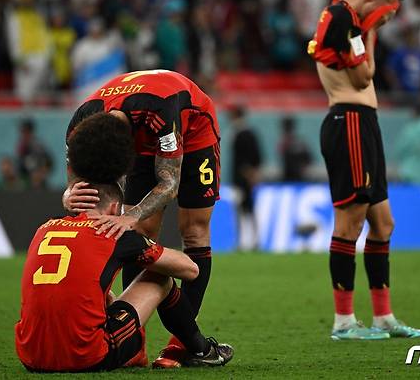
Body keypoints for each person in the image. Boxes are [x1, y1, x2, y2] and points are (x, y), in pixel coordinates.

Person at [15, 113, 233, 372]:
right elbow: (190, 269)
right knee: (160, 278)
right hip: (87, 356)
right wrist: (143, 246)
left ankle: (151, 350)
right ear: (116, 207)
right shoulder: (113, 233)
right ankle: (201, 349)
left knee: (95, 289)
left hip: (30, 356)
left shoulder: (44, 229)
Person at [62, 69, 220, 367]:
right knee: (142, 232)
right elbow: (72, 187)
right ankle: (134, 344)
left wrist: (128, 215)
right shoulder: (80, 126)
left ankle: (181, 345)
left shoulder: (161, 110)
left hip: (194, 129)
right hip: (140, 131)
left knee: (194, 229)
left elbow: (169, 185)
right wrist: (69, 196)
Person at [308, 0, 420, 340]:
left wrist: (368, 37)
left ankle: (383, 317)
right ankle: (344, 322)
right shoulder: (342, 18)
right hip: (349, 123)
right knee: (351, 222)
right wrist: (369, 34)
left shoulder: (350, 24)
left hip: (364, 124)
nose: (385, 22)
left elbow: (366, 73)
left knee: (383, 223)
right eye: (386, 15)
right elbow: (362, 78)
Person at [230, 106, 263, 251]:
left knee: (244, 209)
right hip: (245, 178)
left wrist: (249, 173)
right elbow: (258, 156)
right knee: (248, 209)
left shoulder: (241, 134)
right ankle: (252, 240)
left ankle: (246, 241)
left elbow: (244, 159)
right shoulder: (248, 133)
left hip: (242, 179)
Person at [278, 116, 312, 182]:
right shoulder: (300, 142)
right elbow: (309, 159)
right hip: (297, 177)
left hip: (292, 177)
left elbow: (308, 159)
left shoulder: (284, 143)